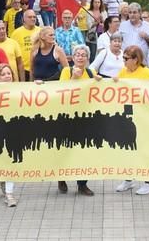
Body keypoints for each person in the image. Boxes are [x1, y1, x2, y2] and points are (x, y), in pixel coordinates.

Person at [113, 45, 149, 195]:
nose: (124, 61)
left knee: (142, 148)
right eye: (123, 58)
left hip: (142, 117)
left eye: (126, 58)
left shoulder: (145, 73)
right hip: (127, 116)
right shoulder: (123, 71)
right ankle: (129, 179)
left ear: (135, 60)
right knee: (127, 148)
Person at [57, 45, 98, 196]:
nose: (80, 57)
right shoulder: (66, 71)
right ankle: (61, 177)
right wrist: (74, 77)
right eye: (77, 55)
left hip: (85, 117)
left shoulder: (91, 72)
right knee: (65, 150)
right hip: (67, 117)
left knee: (84, 151)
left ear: (88, 59)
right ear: (73, 58)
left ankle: (82, 184)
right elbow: (62, 92)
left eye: (83, 55)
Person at [0, 64, 20, 206]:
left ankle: (9, 194)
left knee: (10, 161)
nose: (7, 76)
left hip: (13, 132)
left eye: (9, 73)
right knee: (2, 160)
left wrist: (38, 86)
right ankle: (3, 181)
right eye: (4, 74)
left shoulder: (19, 90)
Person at [10, 10, 41, 81]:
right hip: (23, 69)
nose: (33, 19)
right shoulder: (16, 33)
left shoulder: (41, 31)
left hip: (38, 68)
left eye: (34, 17)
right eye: (30, 17)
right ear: (24, 19)